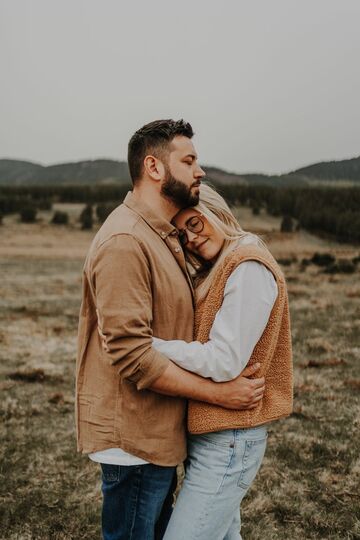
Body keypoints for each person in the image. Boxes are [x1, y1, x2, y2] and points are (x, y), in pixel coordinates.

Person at [75, 119, 266, 540]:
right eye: (189, 160)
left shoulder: (158, 235)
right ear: (154, 167)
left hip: (155, 437)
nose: (200, 171)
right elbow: (131, 353)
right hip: (135, 441)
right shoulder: (126, 240)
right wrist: (220, 393)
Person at [150, 184, 293, 540]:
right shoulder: (225, 263)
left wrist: (151, 346)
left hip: (230, 440)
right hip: (216, 436)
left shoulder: (248, 266)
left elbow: (223, 360)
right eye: (182, 235)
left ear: (216, 210)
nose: (191, 239)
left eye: (194, 224)